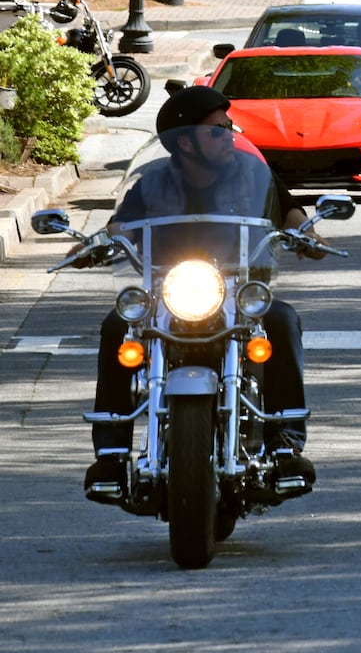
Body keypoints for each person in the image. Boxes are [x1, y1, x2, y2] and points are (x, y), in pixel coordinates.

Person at [84, 87, 327, 500]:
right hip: (168, 291)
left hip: (236, 288)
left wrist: (305, 233)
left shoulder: (251, 173)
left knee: (282, 320)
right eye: (218, 130)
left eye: (229, 128)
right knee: (116, 326)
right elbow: (120, 225)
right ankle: (110, 451)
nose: (229, 135)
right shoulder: (153, 182)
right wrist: (96, 244)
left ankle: (286, 443)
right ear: (186, 141)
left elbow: (288, 208)